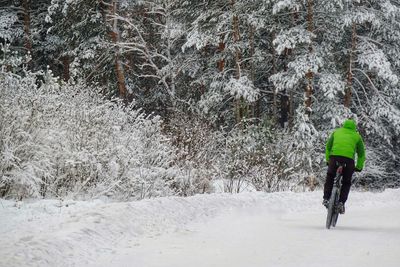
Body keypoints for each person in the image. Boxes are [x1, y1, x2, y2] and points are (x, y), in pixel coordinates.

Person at [323, 119, 366, 214]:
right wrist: (359, 167)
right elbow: (361, 154)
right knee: (346, 182)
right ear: (354, 128)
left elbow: (328, 147)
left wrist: (328, 160)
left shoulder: (336, 132)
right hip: (348, 161)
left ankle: (326, 198)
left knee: (330, 177)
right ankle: (341, 203)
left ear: (344, 126)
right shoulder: (357, 136)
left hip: (334, 158)